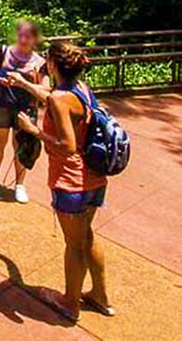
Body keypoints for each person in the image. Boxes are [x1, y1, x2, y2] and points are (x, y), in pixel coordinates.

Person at [16, 41, 114, 322]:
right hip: (95, 177)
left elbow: (67, 145)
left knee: (74, 245)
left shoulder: (59, 98)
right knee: (87, 235)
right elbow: (52, 96)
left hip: (71, 181)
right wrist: (24, 84)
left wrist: (33, 130)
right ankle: (100, 296)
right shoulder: (80, 88)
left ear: (52, 65)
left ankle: (70, 303)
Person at [0, 20, 46, 203]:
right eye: (21, 35)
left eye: (28, 36)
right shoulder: (2, 52)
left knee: (20, 144)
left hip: (25, 108)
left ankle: (20, 185)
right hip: (2, 103)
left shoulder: (40, 62)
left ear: (35, 39)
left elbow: (45, 90)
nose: (23, 39)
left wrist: (23, 83)